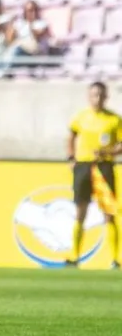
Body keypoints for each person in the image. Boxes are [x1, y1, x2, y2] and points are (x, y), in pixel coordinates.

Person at [67, 82, 121, 270]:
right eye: (93, 95)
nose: (97, 98)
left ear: (106, 97)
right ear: (88, 96)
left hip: (104, 166)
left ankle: (115, 259)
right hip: (83, 166)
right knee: (80, 211)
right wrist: (71, 157)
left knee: (109, 213)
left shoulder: (114, 119)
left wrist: (108, 152)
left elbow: (120, 144)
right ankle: (74, 257)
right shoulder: (81, 117)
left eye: (100, 95)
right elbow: (71, 136)